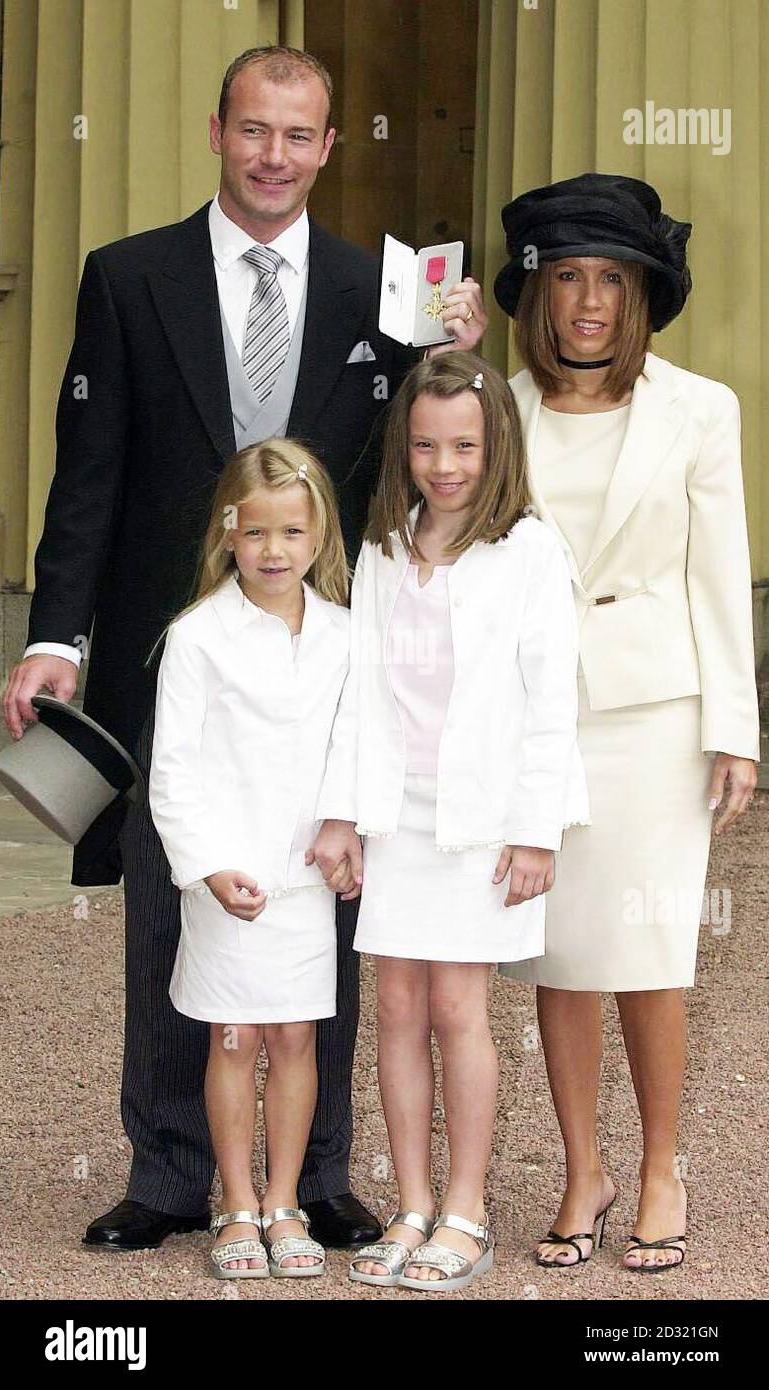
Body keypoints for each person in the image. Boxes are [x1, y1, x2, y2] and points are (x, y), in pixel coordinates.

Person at [0, 43, 487, 1253]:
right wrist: (56, 636)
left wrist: (456, 350)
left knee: (319, 895)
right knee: (182, 890)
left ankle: (315, 1174)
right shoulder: (128, 278)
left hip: (333, 655)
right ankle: (169, 1171)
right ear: (219, 131)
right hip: (179, 659)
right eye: (255, 128)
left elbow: (438, 445)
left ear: (330, 146)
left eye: (299, 134)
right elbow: (90, 477)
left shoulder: (391, 287)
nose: (275, 153)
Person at [493, 172, 759, 1271]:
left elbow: (720, 572)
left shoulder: (702, 409)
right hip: (535, 719)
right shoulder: (494, 407)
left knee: (650, 951)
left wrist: (735, 728)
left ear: (642, 293)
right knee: (560, 955)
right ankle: (579, 1167)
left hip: (656, 715)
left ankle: (659, 1166)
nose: (590, 301)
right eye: (568, 279)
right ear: (538, 293)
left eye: (611, 279)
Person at [311, 351, 590, 1290]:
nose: (445, 465)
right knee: (394, 1008)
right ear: (406, 449)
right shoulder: (387, 547)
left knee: (459, 1008)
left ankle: (466, 1211)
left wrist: (537, 827)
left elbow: (552, 700)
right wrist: (345, 815)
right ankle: (414, 1204)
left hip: (483, 821)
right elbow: (360, 696)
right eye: (427, 446)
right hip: (398, 817)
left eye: (464, 445)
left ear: (494, 445)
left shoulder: (530, 551)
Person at [149, 439, 353, 1279]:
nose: (275, 552)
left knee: (297, 1037)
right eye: (257, 533)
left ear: (319, 537)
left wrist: (346, 826)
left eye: (293, 533)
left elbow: (356, 741)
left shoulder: (345, 635)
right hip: (227, 878)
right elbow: (174, 771)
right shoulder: (196, 638)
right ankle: (235, 1203)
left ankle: (285, 1203)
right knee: (233, 1039)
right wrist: (205, 864)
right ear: (228, 534)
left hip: (304, 877)